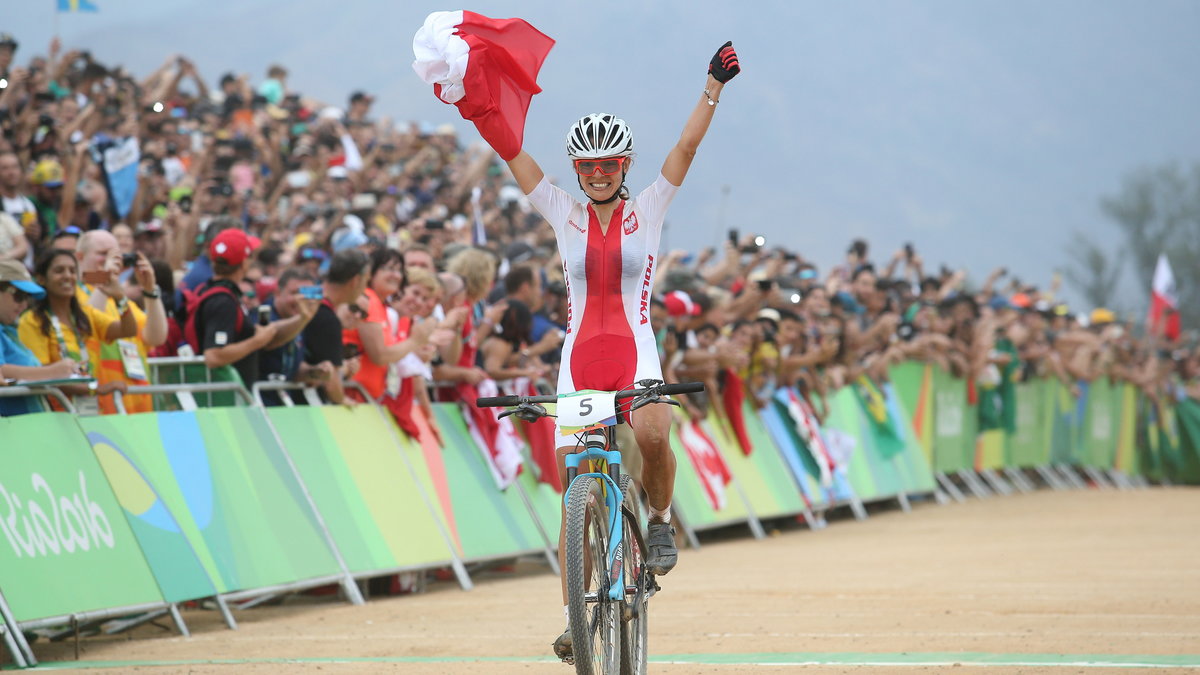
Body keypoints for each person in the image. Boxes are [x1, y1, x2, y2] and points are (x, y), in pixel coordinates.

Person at [495, 40, 740, 657]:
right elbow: (511, 153)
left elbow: (684, 149)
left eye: (608, 165)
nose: (598, 174)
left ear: (623, 167)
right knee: (573, 490)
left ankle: (658, 523)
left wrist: (711, 87)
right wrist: (478, 107)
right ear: (577, 172)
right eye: (587, 167)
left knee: (654, 436)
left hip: (637, 352)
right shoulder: (561, 212)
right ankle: (575, 616)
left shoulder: (650, 208)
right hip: (579, 362)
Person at [18, 249, 138, 413]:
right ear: (41, 278)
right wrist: (96, 389)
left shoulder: (86, 315)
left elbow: (128, 330)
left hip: (91, 414)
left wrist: (120, 298)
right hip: (54, 416)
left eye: (73, 271)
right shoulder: (31, 322)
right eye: (59, 271)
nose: (68, 276)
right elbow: (42, 377)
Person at [193, 228, 311, 387]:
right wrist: (257, 341)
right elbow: (214, 356)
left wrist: (303, 318)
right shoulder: (222, 301)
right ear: (244, 263)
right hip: (226, 400)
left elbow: (266, 336)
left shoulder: (216, 291)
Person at [76, 230, 167, 413]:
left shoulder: (120, 300)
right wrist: (105, 277)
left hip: (137, 409)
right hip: (101, 409)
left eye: (116, 255)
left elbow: (156, 338)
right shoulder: (73, 295)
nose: (111, 260)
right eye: (103, 254)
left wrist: (149, 289)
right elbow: (88, 326)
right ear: (80, 256)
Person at [0, 260, 76, 416]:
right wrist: (52, 372)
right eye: (19, 296)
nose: (24, 305)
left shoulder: (9, 331)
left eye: (27, 297)